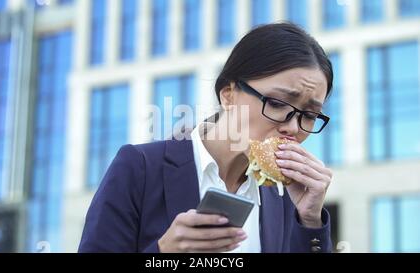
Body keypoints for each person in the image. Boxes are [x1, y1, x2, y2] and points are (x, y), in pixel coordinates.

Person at [79, 23, 334, 253]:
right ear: (228, 95)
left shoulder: (286, 198)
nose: (293, 127)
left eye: (310, 115)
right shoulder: (140, 167)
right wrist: (163, 253)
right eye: (278, 103)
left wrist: (310, 221)